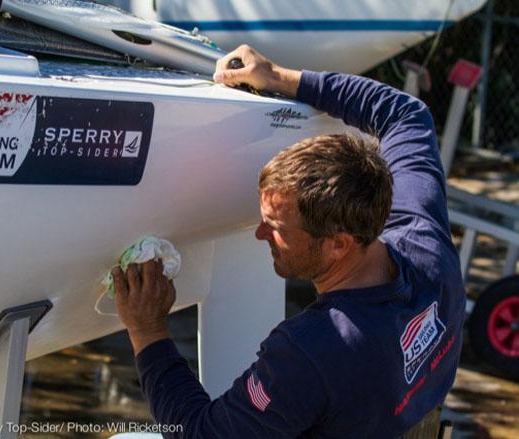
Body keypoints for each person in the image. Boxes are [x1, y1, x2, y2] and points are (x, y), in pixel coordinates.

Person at [111, 45, 466, 438]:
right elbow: (406, 114)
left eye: (276, 228)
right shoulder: (424, 238)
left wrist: (147, 331)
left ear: (339, 244)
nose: (260, 233)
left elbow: (201, 435)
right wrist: (279, 77)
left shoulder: (315, 350)